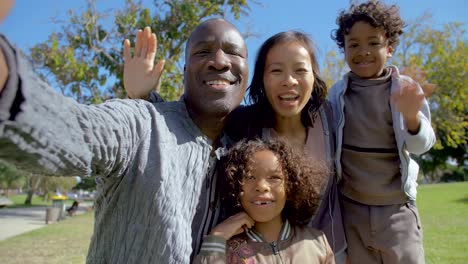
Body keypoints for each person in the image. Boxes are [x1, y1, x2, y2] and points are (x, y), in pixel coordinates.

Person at [0, 1, 248, 262]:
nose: (219, 61)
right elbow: (72, 131)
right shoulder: (141, 124)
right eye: (202, 52)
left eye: (233, 52)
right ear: (184, 72)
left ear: (247, 72)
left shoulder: (247, 154)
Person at [125, 30, 347, 263]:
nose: (289, 80)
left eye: (300, 70)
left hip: (325, 250)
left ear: (314, 76)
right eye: (276, 70)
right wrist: (143, 96)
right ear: (262, 78)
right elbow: (188, 124)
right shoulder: (242, 125)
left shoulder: (331, 119)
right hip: (254, 254)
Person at [328, 1, 436, 263]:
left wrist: (412, 118)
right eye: (354, 44)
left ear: (389, 48)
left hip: (396, 210)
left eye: (373, 43)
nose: (363, 51)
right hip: (351, 209)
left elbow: (423, 145)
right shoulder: (336, 95)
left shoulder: (405, 89)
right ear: (344, 50)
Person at [194, 139, 335, 263]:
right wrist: (217, 237)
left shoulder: (316, 244)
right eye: (249, 177)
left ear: (291, 186)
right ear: (234, 186)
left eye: (274, 178)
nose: (261, 187)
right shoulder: (224, 249)